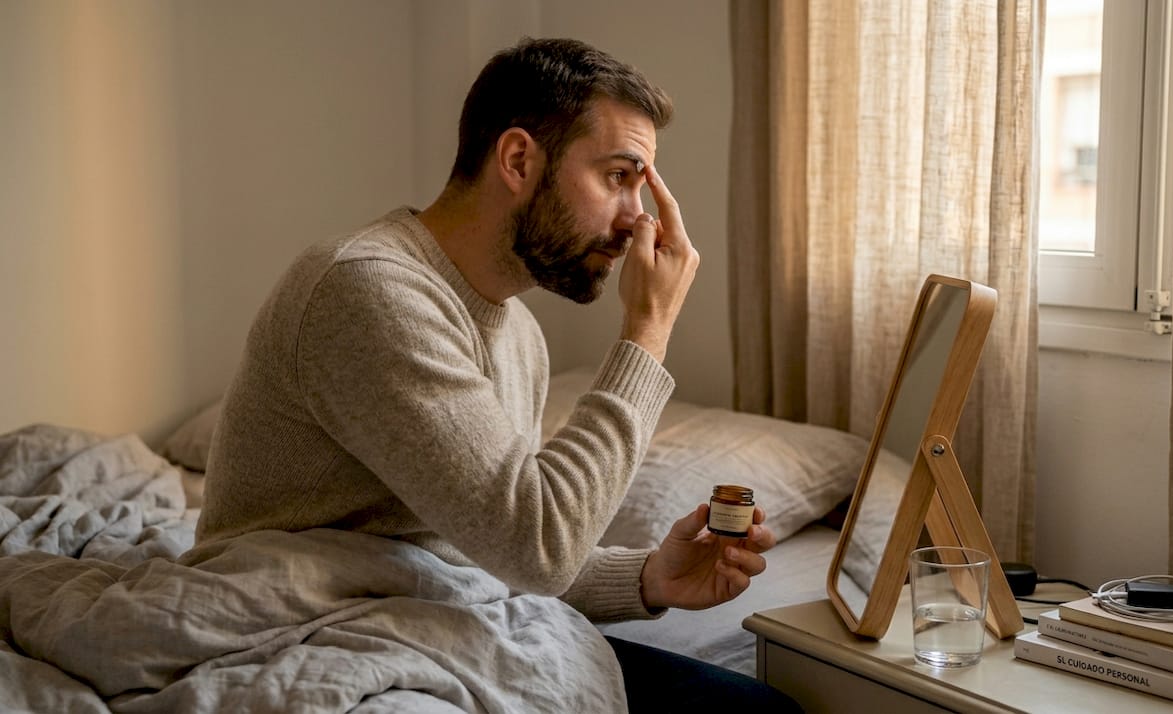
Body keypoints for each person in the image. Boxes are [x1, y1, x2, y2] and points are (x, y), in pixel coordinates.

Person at [196, 37, 801, 712]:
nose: (638, 219)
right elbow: (539, 546)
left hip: (427, 613)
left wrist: (652, 577)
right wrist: (647, 330)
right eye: (618, 177)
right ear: (517, 160)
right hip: (303, 623)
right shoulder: (366, 290)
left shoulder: (520, 334)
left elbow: (501, 547)